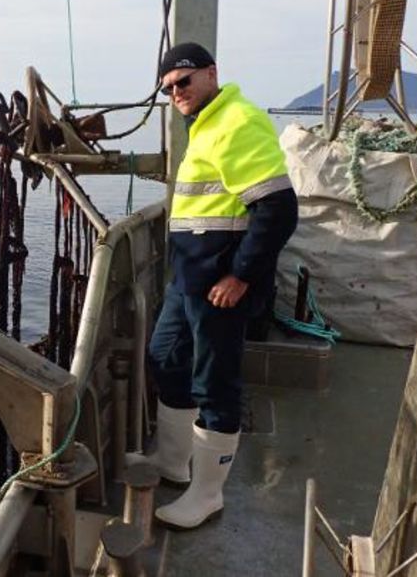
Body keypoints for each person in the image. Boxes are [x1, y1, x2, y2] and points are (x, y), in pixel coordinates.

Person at [130, 42, 298, 529]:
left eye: (183, 81)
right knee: (165, 356)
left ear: (210, 74)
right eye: (168, 89)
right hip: (190, 281)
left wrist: (240, 276)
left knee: (215, 384)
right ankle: (174, 462)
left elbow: (278, 209)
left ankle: (206, 496)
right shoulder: (204, 125)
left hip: (220, 285)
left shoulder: (235, 121)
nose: (176, 92)